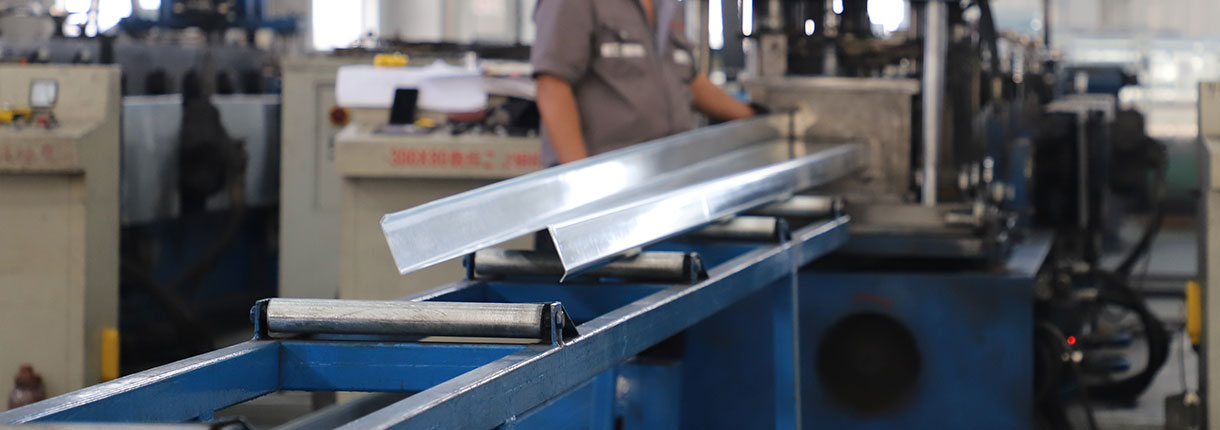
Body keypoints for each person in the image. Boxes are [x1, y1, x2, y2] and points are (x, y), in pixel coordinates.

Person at [532, 0, 758, 165]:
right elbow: (552, 85)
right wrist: (579, 181)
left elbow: (687, 81)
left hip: (664, 173)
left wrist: (755, 116)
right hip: (604, 176)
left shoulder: (667, 5)